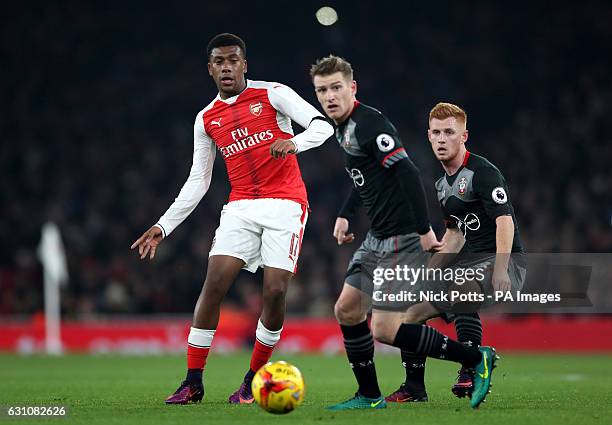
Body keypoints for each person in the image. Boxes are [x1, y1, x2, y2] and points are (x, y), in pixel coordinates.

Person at [131, 33, 333, 405]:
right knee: (215, 283)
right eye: (219, 62)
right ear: (210, 69)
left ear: (244, 64)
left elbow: (323, 126)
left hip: (285, 203)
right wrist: (164, 225)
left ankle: (253, 379)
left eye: (233, 60)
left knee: (274, 291)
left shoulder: (273, 93)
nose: (227, 67)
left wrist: (294, 142)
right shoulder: (206, 118)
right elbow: (199, 179)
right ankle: (193, 382)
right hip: (240, 206)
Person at [310, 55, 444, 410]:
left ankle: (475, 358)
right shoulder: (343, 128)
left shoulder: (370, 124)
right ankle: (370, 396)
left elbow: (409, 174)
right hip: (377, 235)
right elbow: (366, 177)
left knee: (386, 328)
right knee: (347, 309)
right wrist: (345, 214)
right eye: (322, 90)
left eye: (336, 87)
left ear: (352, 88)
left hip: (402, 235)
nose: (329, 96)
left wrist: (425, 230)